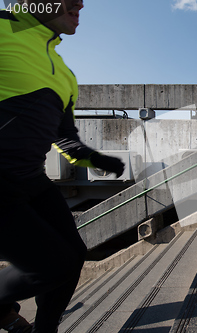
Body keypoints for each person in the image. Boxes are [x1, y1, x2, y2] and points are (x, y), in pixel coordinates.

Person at [0, 1, 124, 332]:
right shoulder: (3, 27)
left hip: (32, 181)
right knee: (53, 265)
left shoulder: (65, 74)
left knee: (73, 257)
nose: (81, 3)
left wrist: (96, 159)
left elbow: (66, 140)